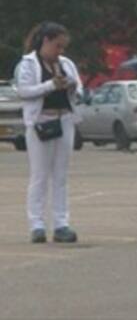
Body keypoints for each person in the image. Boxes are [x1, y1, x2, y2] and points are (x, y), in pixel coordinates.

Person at [14, 22, 81, 244]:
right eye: (57, 46)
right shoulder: (28, 64)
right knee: (39, 175)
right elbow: (24, 91)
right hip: (41, 122)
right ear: (45, 41)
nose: (60, 51)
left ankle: (61, 224)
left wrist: (71, 86)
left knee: (61, 175)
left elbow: (79, 88)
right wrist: (50, 85)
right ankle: (37, 225)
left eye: (63, 47)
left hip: (64, 120)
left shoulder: (66, 64)